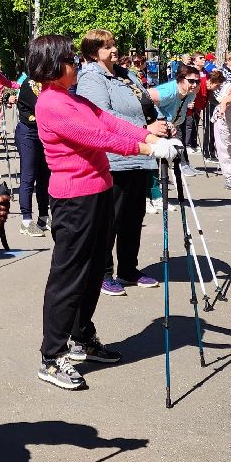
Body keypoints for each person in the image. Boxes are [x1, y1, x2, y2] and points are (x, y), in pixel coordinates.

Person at [29, 35, 179, 391]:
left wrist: (150, 137)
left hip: (98, 192)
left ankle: (82, 337)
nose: (76, 65)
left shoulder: (72, 97)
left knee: (94, 269)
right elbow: (98, 136)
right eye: (68, 60)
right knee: (69, 277)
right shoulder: (51, 103)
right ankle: (51, 356)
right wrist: (146, 147)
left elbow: (108, 121)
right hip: (73, 200)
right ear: (52, 67)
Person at [75, 29, 167, 295]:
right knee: (110, 220)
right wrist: (147, 129)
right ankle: (102, 273)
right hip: (113, 158)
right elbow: (103, 115)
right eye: (106, 47)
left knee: (132, 217)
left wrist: (161, 123)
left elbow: (148, 105)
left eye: (114, 45)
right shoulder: (91, 78)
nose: (114, 50)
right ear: (93, 53)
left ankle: (128, 269)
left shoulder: (128, 75)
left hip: (140, 154)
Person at [14, 70, 50, 236]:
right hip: (28, 132)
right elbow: (43, 106)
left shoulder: (49, 81)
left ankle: (43, 216)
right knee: (29, 175)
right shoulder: (30, 83)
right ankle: (26, 220)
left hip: (44, 131)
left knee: (45, 175)